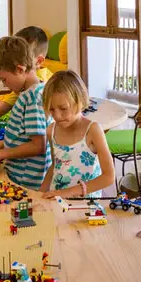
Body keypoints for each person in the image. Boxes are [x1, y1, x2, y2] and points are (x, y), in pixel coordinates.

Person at [0, 37, 51, 190]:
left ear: (20, 69)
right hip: (23, 175)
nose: (4, 84)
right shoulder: (34, 91)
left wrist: (0, 155)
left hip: (27, 181)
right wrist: (8, 142)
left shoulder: (32, 99)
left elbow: (38, 146)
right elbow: (28, 132)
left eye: (4, 79)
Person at [39, 70, 115, 199]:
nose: (57, 116)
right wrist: (40, 193)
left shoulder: (93, 131)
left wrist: (71, 191)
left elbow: (109, 177)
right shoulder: (51, 131)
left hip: (86, 205)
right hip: (57, 200)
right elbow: (55, 166)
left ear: (79, 102)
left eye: (63, 108)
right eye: (51, 109)